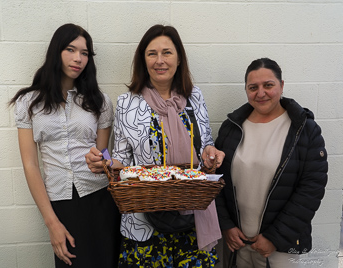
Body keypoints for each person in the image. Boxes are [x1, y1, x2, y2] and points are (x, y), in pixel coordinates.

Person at [86, 24, 225, 267]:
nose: (159, 60)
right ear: (143, 59)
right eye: (152, 54)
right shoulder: (127, 103)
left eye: (167, 52)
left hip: (192, 216)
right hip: (143, 223)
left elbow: (205, 147)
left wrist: (211, 154)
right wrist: (105, 162)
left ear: (179, 58)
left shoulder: (195, 97)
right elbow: (121, 161)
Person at [9, 23, 121, 268]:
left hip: (100, 198)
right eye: (71, 50)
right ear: (56, 51)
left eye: (84, 53)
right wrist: (52, 223)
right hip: (60, 203)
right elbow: (30, 165)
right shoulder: (29, 103)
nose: (78, 58)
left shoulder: (100, 102)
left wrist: (102, 160)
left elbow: (102, 157)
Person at [215, 58, 328, 268]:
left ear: (282, 85)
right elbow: (216, 181)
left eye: (268, 85)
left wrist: (275, 237)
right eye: (253, 87)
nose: (261, 93)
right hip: (236, 243)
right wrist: (227, 226)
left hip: (280, 246)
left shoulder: (304, 130)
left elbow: (311, 190)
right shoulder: (231, 128)